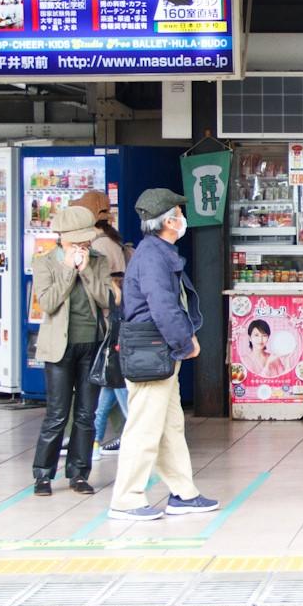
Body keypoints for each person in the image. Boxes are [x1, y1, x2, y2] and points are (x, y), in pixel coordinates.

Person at [107, 188, 219, 522]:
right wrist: (186, 342)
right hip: (150, 349)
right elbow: (163, 307)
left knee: (169, 426)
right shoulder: (153, 256)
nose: (183, 219)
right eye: (180, 214)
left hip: (160, 350)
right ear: (169, 221)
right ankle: (126, 499)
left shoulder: (156, 250)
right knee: (144, 429)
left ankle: (183, 493)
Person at [29, 205, 116, 497]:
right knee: (56, 413)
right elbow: (48, 303)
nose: (82, 246)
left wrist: (87, 271)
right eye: (76, 241)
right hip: (59, 348)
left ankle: (79, 473)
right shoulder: (44, 262)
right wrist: (68, 270)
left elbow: (106, 299)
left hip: (92, 343)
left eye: (86, 241)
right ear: (61, 238)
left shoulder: (98, 260)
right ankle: (43, 474)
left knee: (86, 414)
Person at [72, 190, 130, 452]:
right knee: (109, 379)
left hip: (107, 319)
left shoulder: (96, 245)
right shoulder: (111, 239)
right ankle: (93, 437)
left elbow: (95, 288)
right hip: (117, 316)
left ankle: (136, 433)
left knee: (114, 379)